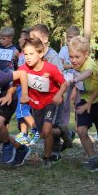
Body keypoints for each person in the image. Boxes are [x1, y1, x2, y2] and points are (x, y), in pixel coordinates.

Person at [13, 37, 69, 166]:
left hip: (51, 102)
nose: (28, 57)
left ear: (41, 54)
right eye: (25, 54)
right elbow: (14, 83)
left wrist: (59, 95)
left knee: (47, 130)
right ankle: (63, 132)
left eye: (31, 54)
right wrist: (9, 95)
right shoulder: (23, 69)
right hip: (36, 104)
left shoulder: (51, 68)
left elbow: (64, 84)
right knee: (43, 133)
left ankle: (46, 158)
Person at [68, 35, 98, 172]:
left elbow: (88, 74)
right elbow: (81, 83)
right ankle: (93, 159)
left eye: (77, 57)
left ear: (86, 54)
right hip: (84, 101)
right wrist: (74, 93)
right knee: (81, 130)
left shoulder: (89, 64)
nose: (73, 60)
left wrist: (75, 79)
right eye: (71, 57)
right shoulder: (77, 65)